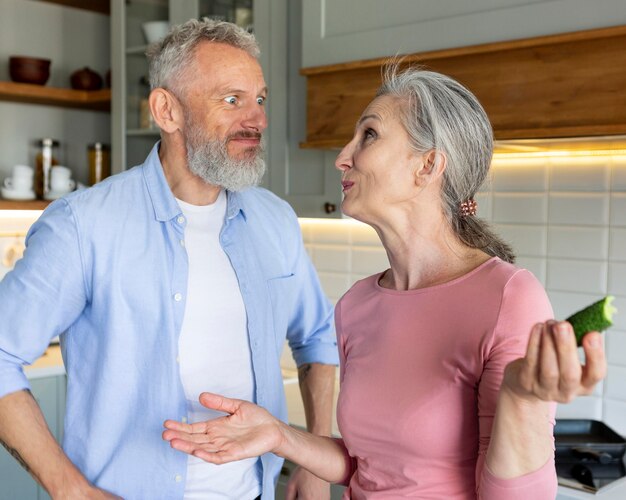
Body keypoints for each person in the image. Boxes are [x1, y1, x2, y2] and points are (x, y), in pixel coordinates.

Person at [162, 66, 608, 499]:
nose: (343, 156)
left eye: (369, 135)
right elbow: (366, 467)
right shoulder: (358, 305)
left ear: (427, 165)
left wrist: (520, 400)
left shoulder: (508, 297)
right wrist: (278, 435)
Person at [0, 19, 338, 500]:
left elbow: (318, 336)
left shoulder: (275, 220)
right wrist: (71, 491)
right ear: (167, 110)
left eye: (259, 99)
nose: (257, 119)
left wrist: (315, 460)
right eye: (231, 99)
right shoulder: (84, 225)